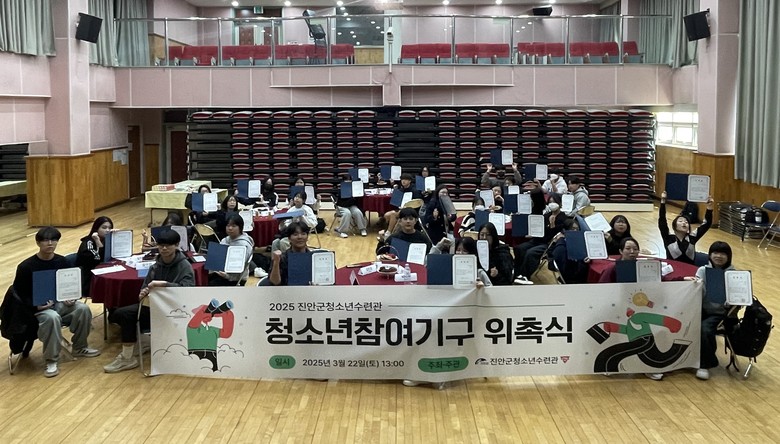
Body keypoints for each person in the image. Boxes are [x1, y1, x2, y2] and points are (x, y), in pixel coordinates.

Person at [104, 228, 195, 373]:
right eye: (161, 245)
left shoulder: (185, 266)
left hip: (176, 309)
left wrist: (164, 285)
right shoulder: (155, 265)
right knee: (120, 313)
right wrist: (143, 293)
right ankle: (132, 353)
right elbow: (145, 287)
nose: (164, 249)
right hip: (154, 306)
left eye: (168, 245)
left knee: (128, 315)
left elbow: (188, 290)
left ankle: (134, 350)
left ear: (177, 245)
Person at [12, 227, 100, 377]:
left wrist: (71, 297)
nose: (50, 243)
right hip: (36, 310)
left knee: (83, 309)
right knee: (52, 317)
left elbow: (70, 284)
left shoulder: (62, 261)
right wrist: (36, 306)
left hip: (59, 304)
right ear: (38, 243)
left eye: (54, 240)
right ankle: (51, 360)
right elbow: (18, 295)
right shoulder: (26, 267)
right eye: (46, 240)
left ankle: (80, 347)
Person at [690, 241, 737, 381]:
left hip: (720, 313)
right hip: (701, 309)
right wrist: (697, 285)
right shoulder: (702, 270)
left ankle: (705, 364)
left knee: (705, 329)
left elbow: (738, 299)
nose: (719, 256)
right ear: (710, 255)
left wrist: (732, 301)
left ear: (728, 256)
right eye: (715, 253)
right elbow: (697, 294)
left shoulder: (734, 274)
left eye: (723, 253)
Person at [513, 195, 566, 284]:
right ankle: (517, 273)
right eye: (550, 202)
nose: (552, 204)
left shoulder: (563, 217)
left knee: (530, 253)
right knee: (519, 248)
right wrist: (533, 233)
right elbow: (539, 229)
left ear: (559, 203)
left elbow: (555, 235)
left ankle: (526, 276)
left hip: (548, 243)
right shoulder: (546, 216)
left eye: (554, 202)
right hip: (538, 240)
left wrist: (552, 225)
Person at [658, 191, 714, 264]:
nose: (684, 223)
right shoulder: (668, 238)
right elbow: (662, 221)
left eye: (686, 222)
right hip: (672, 269)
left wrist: (709, 208)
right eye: (680, 221)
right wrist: (663, 202)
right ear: (674, 226)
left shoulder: (692, 237)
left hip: (689, 269)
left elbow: (706, 224)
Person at [208, 213, 255, 286]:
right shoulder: (225, 240)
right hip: (222, 274)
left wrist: (227, 276)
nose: (230, 228)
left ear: (240, 227)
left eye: (233, 226)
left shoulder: (244, 245)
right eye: (228, 226)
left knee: (211, 285)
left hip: (236, 279)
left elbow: (240, 268)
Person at [75, 215, 113, 297]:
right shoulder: (88, 242)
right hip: (90, 278)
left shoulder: (107, 240)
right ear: (96, 229)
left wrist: (118, 236)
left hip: (105, 271)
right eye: (104, 227)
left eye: (110, 228)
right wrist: (97, 241)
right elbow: (98, 258)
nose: (107, 230)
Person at [269, 221, 312, 286]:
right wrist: (276, 263)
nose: (300, 237)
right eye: (295, 234)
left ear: (307, 237)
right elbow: (275, 282)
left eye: (303, 234)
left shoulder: (313, 258)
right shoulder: (282, 258)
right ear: (289, 238)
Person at [334, 173, 367, 238]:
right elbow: (341, 202)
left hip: (351, 206)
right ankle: (342, 231)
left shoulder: (354, 189)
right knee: (347, 213)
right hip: (342, 206)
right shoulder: (340, 190)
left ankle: (362, 229)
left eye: (350, 181)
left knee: (357, 212)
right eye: (346, 181)